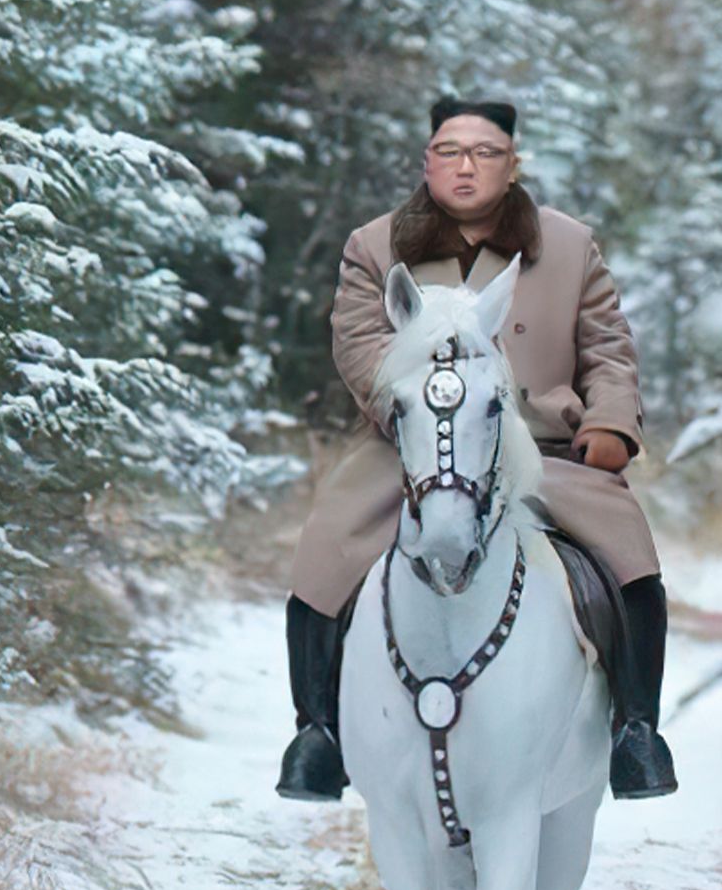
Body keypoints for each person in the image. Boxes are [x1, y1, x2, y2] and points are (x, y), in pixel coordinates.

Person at [276, 92, 678, 802]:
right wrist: (410, 409)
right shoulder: (374, 247)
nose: (467, 168)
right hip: (413, 447)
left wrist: (611, 423)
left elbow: (609, 349)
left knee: (631, 565)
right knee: (325, 551)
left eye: (486, 152)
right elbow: (360, 344)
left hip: (546, 449)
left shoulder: (570, 245)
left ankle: (635, 732)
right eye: (450, 152)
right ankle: (319, 734)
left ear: (513, 163)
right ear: (427, 162)